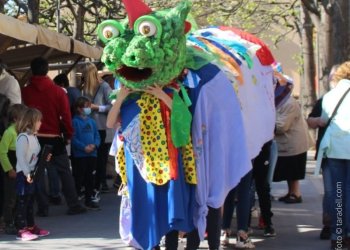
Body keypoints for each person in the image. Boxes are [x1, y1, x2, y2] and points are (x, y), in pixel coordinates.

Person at [21, 57, 86, 216]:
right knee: (64, 171)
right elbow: (65, 115)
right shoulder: (58, 91)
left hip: (33, 138)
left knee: (37, 173)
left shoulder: (25, 91)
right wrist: (68, 134)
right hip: (53, 137)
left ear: (32, 69)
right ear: (47, 69)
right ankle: (73, 204)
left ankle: (42, 208)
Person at [315, 61, 350, 250]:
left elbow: (325, 119)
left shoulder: (330, 95)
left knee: (337, 193)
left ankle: (337, 236)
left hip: (335, 148)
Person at [307, 65, 339, 240]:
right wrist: (319, 120)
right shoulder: (325, 100)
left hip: (339, 151)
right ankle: (330, 225)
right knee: (331, 191)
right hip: (328, 152)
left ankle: (338, 228)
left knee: (339, 191)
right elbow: (310, 120)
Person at [14, 108, 49, 241]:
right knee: (22, 201)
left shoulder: (33, 137)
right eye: (39, 120)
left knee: (30, 201)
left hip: (32, 173)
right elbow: (21, 158)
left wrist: (45, 159)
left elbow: (35, 156)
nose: (40, 123)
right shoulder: (23, 137)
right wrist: (27, 173)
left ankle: (30, 226)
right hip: (24, 174)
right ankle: (21, 229)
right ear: (32, 121)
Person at [273, 82, 310, 203]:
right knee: (290, 170)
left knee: (293, 170)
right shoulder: (282, 101)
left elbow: (282, 126)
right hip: (289, 142)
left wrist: (266, 124)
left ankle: (295, 193)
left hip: (293, 143)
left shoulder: (288, 103)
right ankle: (291, 192)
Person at [81, 62, 112, 196]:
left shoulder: (104, 86)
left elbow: (112, 106)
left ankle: (100, 182)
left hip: (100, 126)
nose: (83, 78)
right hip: (87, 126)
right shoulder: (84, 88)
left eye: (85, 75)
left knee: (100, 157)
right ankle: (91, 183)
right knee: (90, 157)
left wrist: (96, 107)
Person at [0, 104, 27, 234]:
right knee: (10, 198)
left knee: (19, 196)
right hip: (12, 169)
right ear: (16, 119)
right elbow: (2, 152)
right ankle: (8, 222)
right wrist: (9, 169)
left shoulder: (22, 133)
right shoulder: (9, 132)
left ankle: (18, 220)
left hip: (21, 170)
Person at [71, 96, 101, 210]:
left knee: (90, 178)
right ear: (79, 108)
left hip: (92, 154)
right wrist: (83, 148)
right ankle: (76, 199)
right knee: (79, 177)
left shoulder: (92, 121)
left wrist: (95, 145)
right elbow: (73, 139)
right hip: (80, 155)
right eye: (86, 107)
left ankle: (89, 199)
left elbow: (97, 136)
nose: (88, 109)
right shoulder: (74, 122)